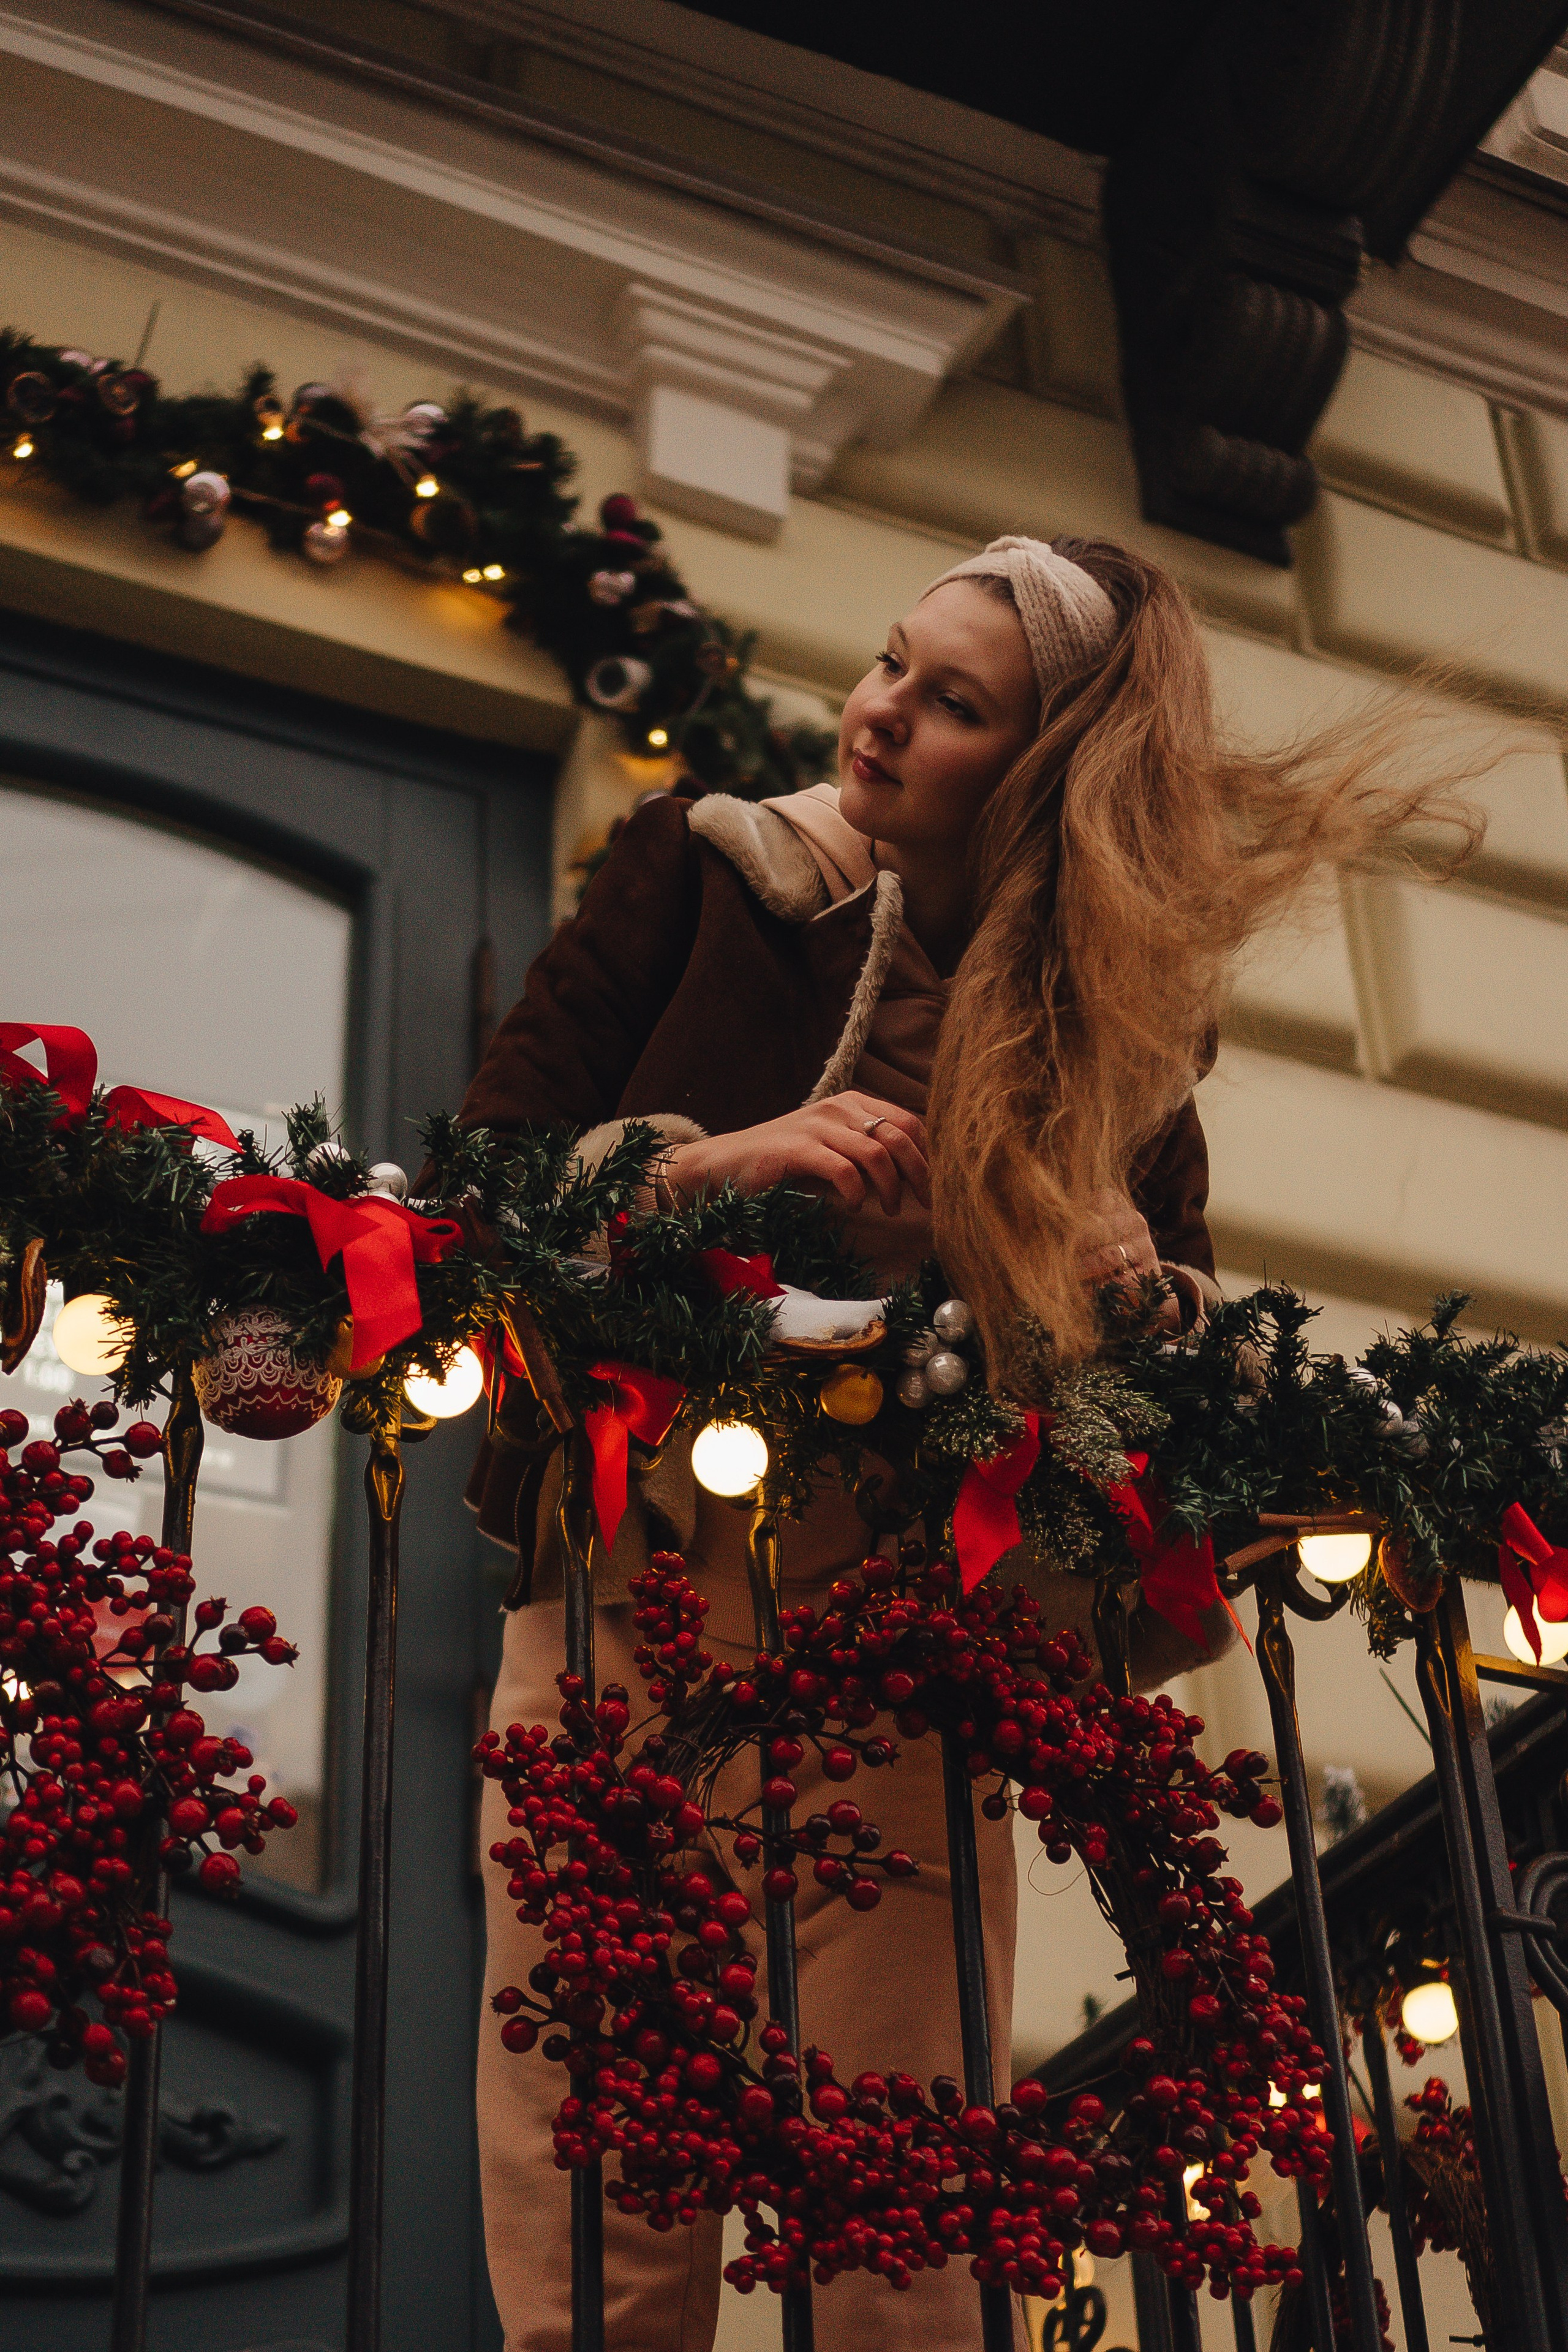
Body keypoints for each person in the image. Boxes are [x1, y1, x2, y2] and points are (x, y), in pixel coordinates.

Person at [455, 535, 1476, 2351]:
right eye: (888, 664)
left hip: (910, 1643)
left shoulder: (1128, 1032)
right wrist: (725, 1165)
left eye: (952, 704)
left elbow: (1168, 1399)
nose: (880, 714)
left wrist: (1107, 1285)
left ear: (1042, 769)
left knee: (904, 2204)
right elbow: (485, 1184)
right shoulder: (711, 869)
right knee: (597, 2173)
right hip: (630, 1573)